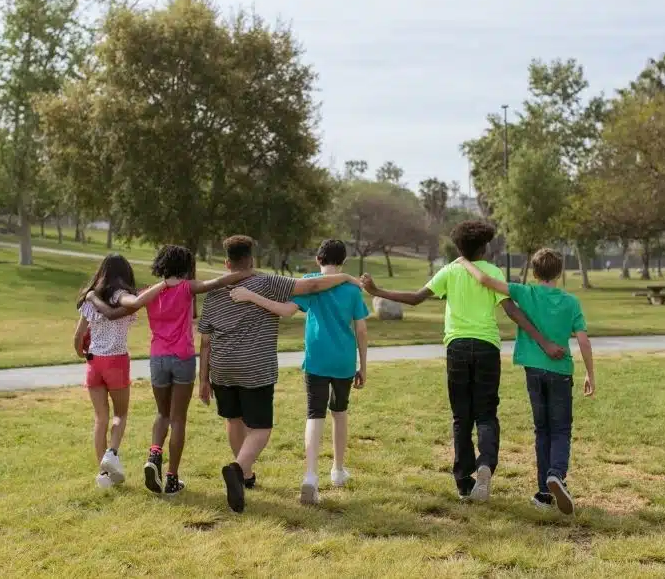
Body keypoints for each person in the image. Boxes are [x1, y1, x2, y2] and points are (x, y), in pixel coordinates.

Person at [361, 220, 565, 503]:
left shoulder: (449, 271)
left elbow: (416, 298)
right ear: (484, 247)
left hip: (456, 347)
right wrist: (544, 342)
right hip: (486, 348)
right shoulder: (492, 271)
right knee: (486, 412)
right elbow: (512, 312)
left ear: (459, 247)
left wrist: (377, 291)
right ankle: (485, 464)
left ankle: (464, 483)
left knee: (461, 416)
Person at [198, 235, 361, 513]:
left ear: (227, 263)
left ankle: (246, 477)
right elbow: (312, 285)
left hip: (222, 367)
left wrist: (203, 378)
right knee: (260, 428)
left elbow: (205, 340)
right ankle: (239, 468)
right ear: (251, 260)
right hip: (255, 367)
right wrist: (345, 275)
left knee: (233, 419)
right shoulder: (268, 282)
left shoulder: (213, 294)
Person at [88, 245, 253, 496]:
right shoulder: (187, 288)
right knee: (178, 419)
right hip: (183, 359)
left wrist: (92, 298)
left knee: (162, 414)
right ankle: (172, 478)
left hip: (157, 359)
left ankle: (154, 454)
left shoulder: (149, 293)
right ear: (185, 266)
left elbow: (113, 312)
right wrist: (248, 273)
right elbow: (218, 282)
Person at [457, 249, 594, 515]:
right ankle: (556, 475)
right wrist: (590, 373)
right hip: (561, 372)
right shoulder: (571, 302)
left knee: (541, 429)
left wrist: (464, 261)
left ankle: (544, 493)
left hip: (533, 371)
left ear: (534, 272)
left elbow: (485, 280)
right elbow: (583, 340)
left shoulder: (525, 293)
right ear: (560, 272)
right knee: (561, 429)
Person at [74, 254, 164, 489]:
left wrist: (82, 353)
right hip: (116, 361)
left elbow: (77, 337)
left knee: (100, 418)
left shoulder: (89, 299)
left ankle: (103, 475)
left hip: (94, 363)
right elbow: (132, 306)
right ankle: (111, 453)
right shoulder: (124, 297)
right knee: (120, 415)